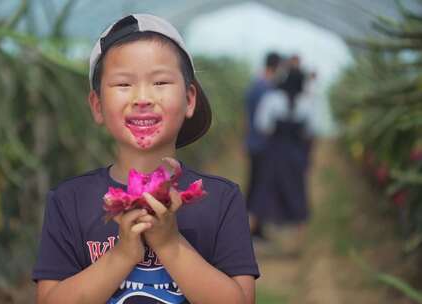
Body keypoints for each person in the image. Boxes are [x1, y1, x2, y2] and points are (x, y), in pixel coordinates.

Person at [32, 14, 259, 304]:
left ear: (190, 100)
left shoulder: (221, 199)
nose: (142, 98)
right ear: (98, 105)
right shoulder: (68, 201)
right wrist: (123, 255)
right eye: (123, 85)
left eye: (160, 82)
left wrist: (170, 244)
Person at [252, 58, 318, 252]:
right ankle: (299, 244)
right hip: (295, 155)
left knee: (264, 192)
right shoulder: (307, 103)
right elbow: (310, 131)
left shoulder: (272, 99)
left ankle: (252, 237)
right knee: (297, 193)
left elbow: (262, 126)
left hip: (274, 153)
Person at [244, 52, 282, 237]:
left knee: (255, 184)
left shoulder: (255, 85)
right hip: (262, 144)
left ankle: (253, 227)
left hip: (253, 141)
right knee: (260, 185)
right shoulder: (265, 89)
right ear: (275, 67)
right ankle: (253, 229)